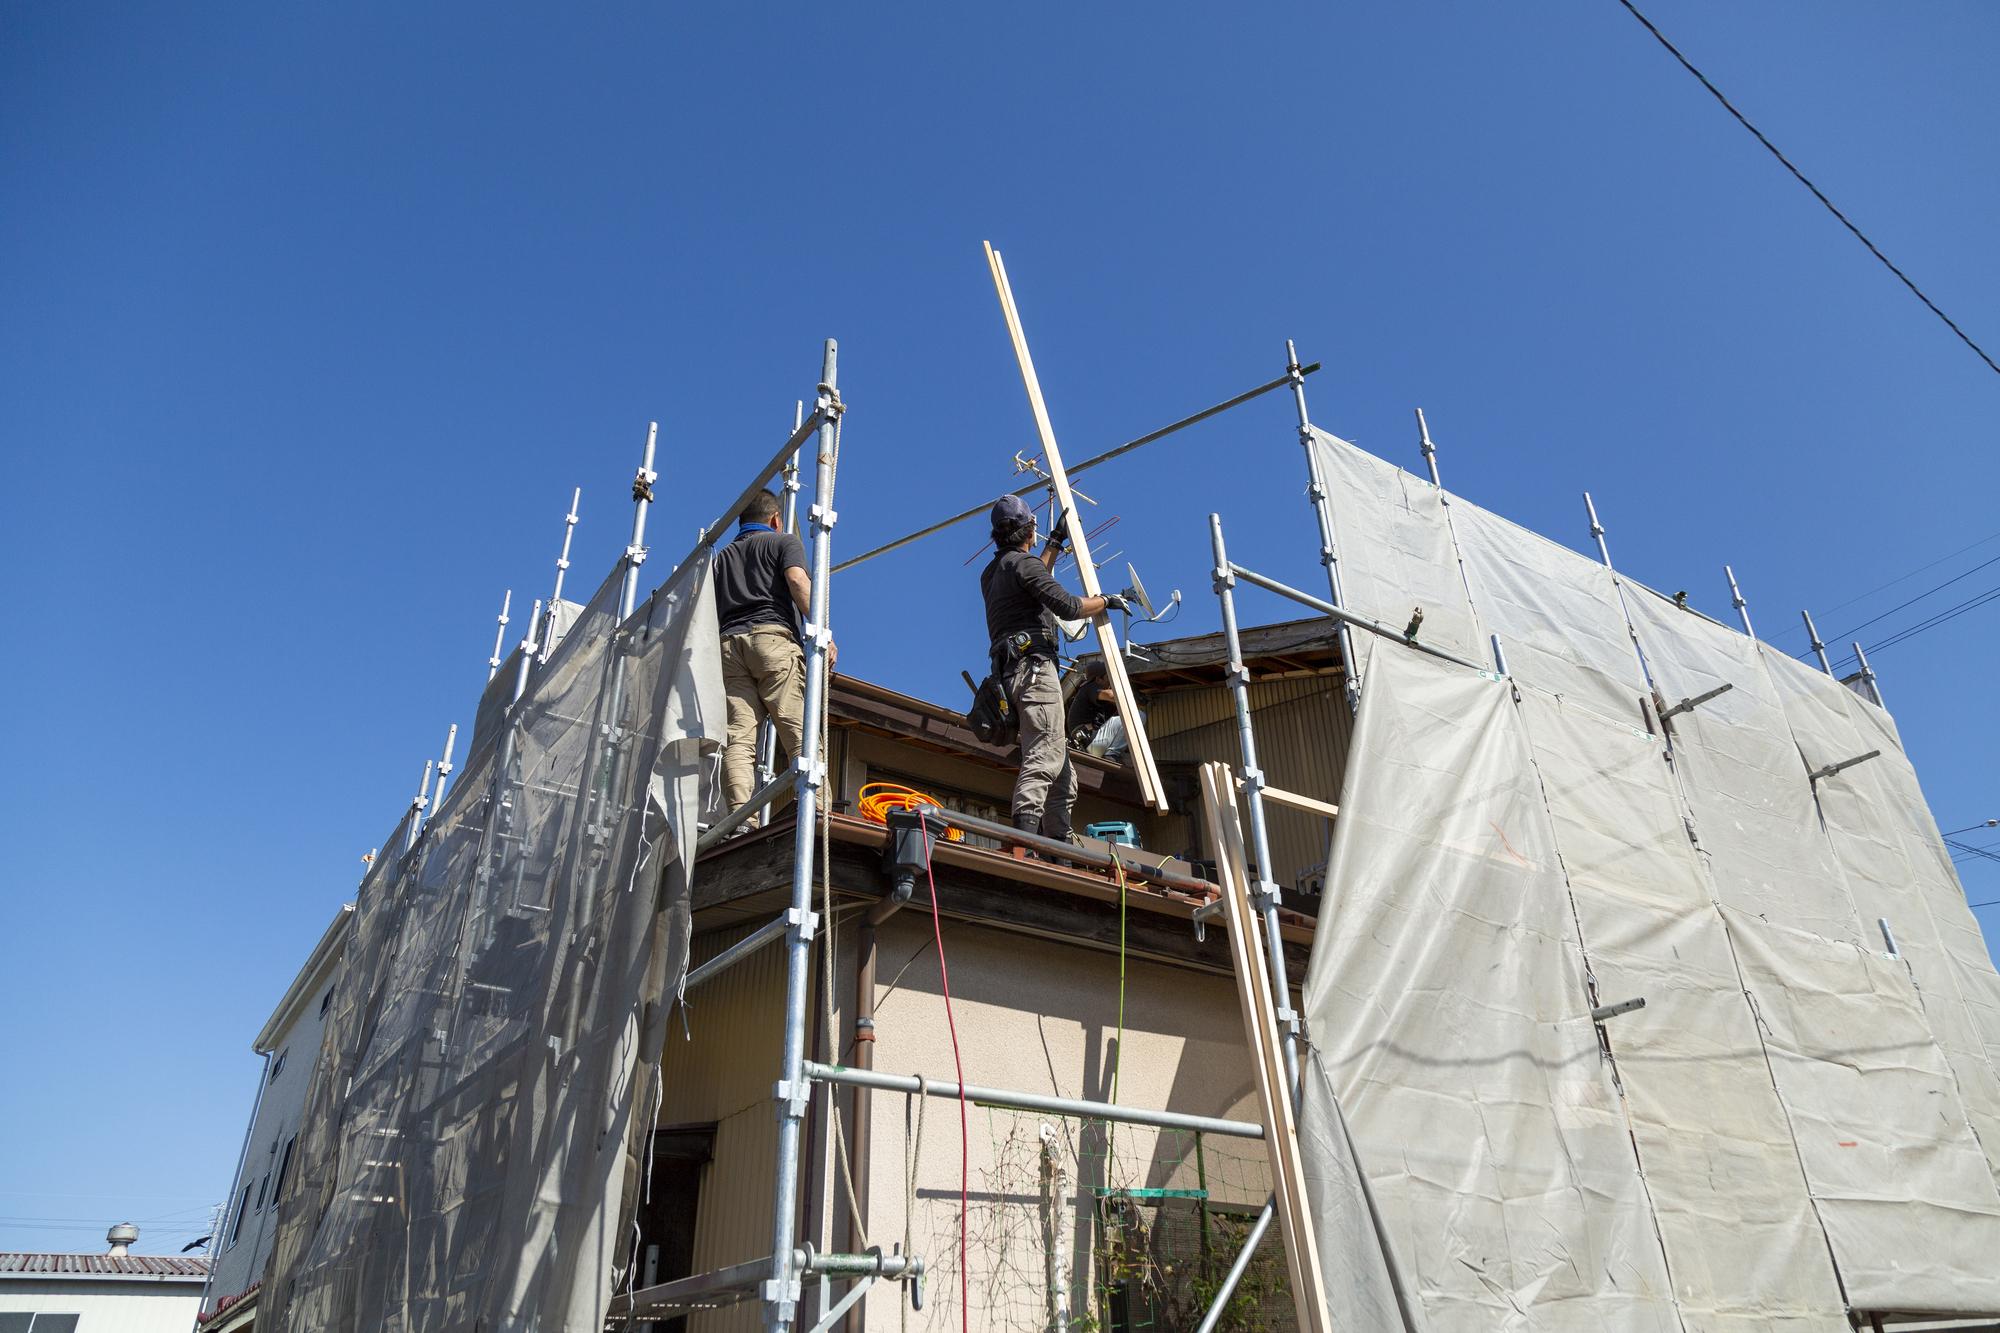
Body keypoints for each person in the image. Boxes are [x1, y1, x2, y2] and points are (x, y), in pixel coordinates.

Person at [979, 494, 1127, 842]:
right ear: (1029, 530)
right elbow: (1070, 606)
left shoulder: (993, 572)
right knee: (1044, 754)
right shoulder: (1023, 566)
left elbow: (1032, 577)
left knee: (1062, 773)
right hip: (1034, 672)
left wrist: (1056, 543)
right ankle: (1025, 843)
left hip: (1009, 674)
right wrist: (1107, 600)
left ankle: (1058, 843)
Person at [714, 488, 833, 822]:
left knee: (739, 739)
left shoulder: (720, 559)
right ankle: (818, 811)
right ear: (775, 520)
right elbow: (797, 581)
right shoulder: (783, 542)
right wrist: (823, 632)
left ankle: (740, 820)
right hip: (771, 637)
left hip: (728, 645)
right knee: (799, 730)